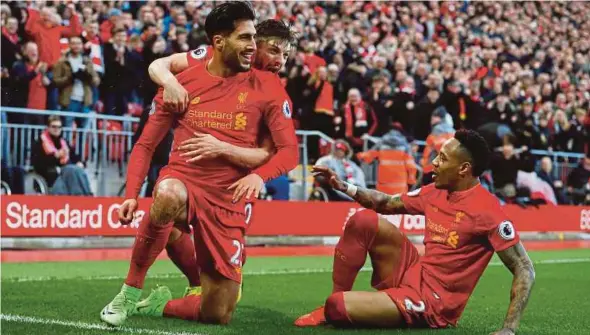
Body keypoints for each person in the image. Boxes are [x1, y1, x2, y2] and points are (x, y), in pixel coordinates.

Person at [100, 1, 298, 327]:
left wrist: (256, 172)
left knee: (218, 313)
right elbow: (147, 142)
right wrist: (132, 194)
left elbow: (286, 152)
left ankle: (162, 304)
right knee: (167, 197)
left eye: (255, 40)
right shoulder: (187, 78)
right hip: (184, 180)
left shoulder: (270, 88)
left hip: (228, 198)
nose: (254, 47)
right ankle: (130, 291)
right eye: (247, 39)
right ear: (219, 42)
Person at [296, 129, 535, 335]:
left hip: (433, 303)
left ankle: (347, 306)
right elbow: (386, 203)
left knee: (337, 306)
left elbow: (524, 267)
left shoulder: (487, 211)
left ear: (463, 168)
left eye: (442, 158)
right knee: (363, 221)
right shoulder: (436, 191)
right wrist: (344, 186)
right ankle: (334, 308)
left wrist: (509, 328)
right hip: (415, 273)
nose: (434, 163)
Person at [134, 18, 295, 297]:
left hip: (234, 184)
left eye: (286, 55)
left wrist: (226, 150)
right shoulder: (210, 56)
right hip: (192, 172)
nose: (280, 61)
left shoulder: (272, 91)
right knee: (166, 214)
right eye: (274, 51)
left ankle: (217, 283)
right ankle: (191, 283)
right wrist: (171, 83)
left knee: (224, 296)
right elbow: (158, 65)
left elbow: (273, 153)